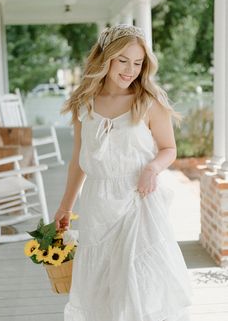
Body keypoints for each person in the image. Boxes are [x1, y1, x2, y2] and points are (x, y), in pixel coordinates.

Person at [54, 24, 192, 321]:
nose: (131, 69)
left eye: (138, 62)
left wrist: (152, 168)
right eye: (123, 60)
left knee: (137, 285)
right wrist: (65, 206)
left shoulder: (149, 102)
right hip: (97, 204)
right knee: (103, 286)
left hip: (138, 200)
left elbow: (169, 148)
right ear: (107, 58)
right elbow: (79, 158)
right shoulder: (84, 104)